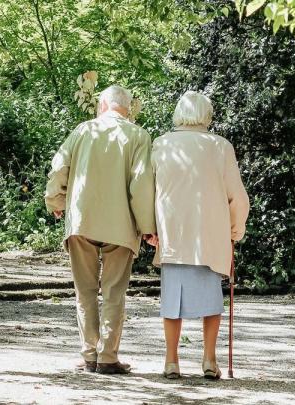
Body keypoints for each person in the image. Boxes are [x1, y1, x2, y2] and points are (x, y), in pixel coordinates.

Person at [44, 85, 156, 375]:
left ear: (103, 104)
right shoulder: (139, 136)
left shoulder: (82, 131)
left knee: (85, 292)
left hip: (82, 221)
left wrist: (56, 200)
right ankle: (107, 358)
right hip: (121, 226)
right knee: (114, 293)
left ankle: (89, 355)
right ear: (127, 108)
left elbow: (59, 168)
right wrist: (147, 227)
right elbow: (141, 184)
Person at [148, 91, 249, 380]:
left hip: (174, 234)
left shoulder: (161, 144)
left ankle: (171, 361)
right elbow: (238, 198)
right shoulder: (220, 147)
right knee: (211, 301)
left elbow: (148, 191)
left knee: (171, 301)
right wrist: (234, 230)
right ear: (207, 114)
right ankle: (209, 359)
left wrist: (150, 229)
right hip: (210, 236)